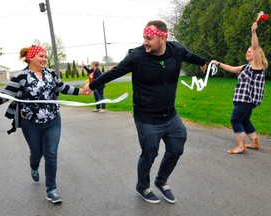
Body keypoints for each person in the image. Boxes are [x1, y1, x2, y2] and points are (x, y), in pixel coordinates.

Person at [82, 20, 207, 204]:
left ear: (163, 37)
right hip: (146, 117)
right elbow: (114, 72)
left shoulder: (176, 50)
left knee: (177, 148)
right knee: (150, 152)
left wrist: (203, 62)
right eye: (144, 37)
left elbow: (190, 55)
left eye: (149, 38)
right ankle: (142, 186)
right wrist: (91, 86)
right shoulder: (137, 56)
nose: (145, 42)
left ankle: (161, 181)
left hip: (170, 115)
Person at [0, 45, 83, 204]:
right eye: (41, 56)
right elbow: (6, 95)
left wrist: (81, 91)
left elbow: (62, 87)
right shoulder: (21, 76)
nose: (44, 59)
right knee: (37, 153)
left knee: (51, 153)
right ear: (30, 58)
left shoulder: (51, 74)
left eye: (45, 56)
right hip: (30, 122)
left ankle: (51, 190)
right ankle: (34, 166)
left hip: (53, 120)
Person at [212, 22, 268, 154]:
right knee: (245, 119)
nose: (247, 52)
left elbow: (255, 48)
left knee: (235, 119)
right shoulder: (246, 66)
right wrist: (218, 63)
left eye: (250, 51)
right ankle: (254, 143)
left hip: (246, 99)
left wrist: (253, 33)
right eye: (247, 51)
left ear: (257, 55)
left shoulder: (257, 66)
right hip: (243, 99)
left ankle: (240, 146)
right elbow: (231, 68)